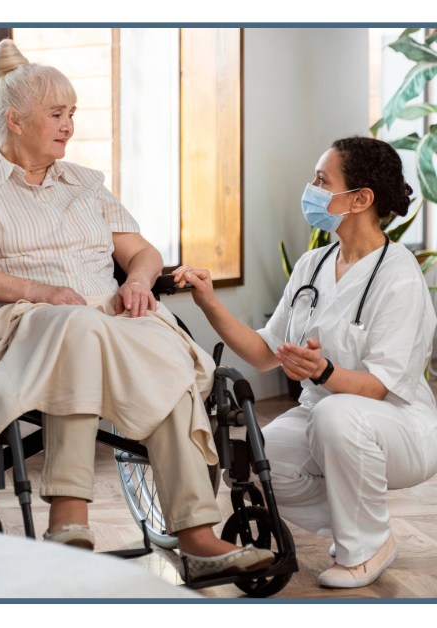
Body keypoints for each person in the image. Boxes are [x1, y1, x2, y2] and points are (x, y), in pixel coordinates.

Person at [0, 39, 272, 577]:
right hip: (27, 324)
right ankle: (69, 512)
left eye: (72, 114)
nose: (69, 125)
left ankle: (197, 535)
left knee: (166, 352)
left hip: (108, 318)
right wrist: (37, 292)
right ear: (15, 121)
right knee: (78, 325)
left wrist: (136, 280)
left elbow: (141, 252)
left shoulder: (88, 185)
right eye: (56, 114)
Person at [174, 136, 437, 588]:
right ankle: (362, 527)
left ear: (360, 199)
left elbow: (379, 387)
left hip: (399, 425)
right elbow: (263, 351)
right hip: (323, 415)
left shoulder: (399, 274)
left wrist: (323, 372)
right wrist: (209, 303)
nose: (310, 189)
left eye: (321, 180)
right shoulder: (312, 264)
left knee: (336, 414)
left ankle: (365, 547)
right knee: (259, 461)